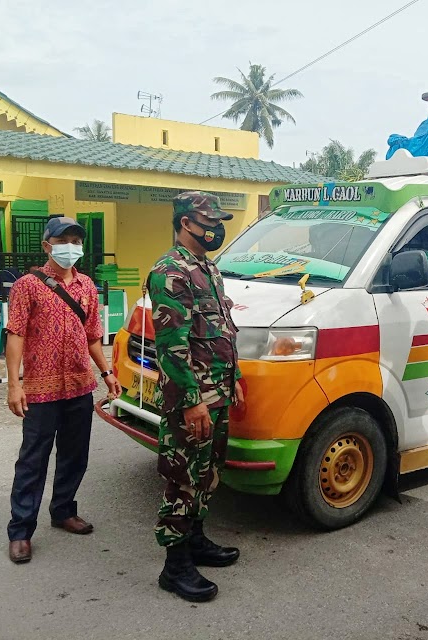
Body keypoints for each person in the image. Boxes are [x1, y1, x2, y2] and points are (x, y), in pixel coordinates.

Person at [6, 216, 121, 564]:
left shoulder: (87, 285)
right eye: (62, 240)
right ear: (47, 246)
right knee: (32, 460)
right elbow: (15, 334)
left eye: (75, 240)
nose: (70, 247)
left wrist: (107, 372)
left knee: (75, 455)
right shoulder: (27, 285)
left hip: (78, 386)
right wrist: (14, 385)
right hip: (40, 390)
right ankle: (21, 531)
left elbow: (93, 337)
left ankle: (63, 510)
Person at [147, 191, 245, 602]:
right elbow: (173, 346)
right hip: (193, 396)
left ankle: (197, 539)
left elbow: (223, 327)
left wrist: (234, 377)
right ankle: (175, 565)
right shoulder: (171, 271)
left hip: (217, 389)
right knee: (183, 477)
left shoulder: (208, 267)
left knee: (207, 472)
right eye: (209, 221)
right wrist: (192, 400)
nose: (216, 228)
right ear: (186, 223)